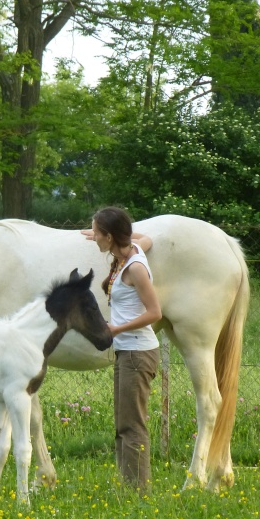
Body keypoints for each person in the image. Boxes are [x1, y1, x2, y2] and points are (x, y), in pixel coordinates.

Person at [82, 206, 162, 493]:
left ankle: (138, 492)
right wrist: (100, 234)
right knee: (123, 424)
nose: (94, 237)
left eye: (97, 233)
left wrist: (115, 329)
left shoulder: (135, 268)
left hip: (137, 354)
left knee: (132, 426)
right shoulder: (132, 250)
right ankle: (128, 485)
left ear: (110, 236)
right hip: (127, 352)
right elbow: (145, 238)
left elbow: (155, 312)